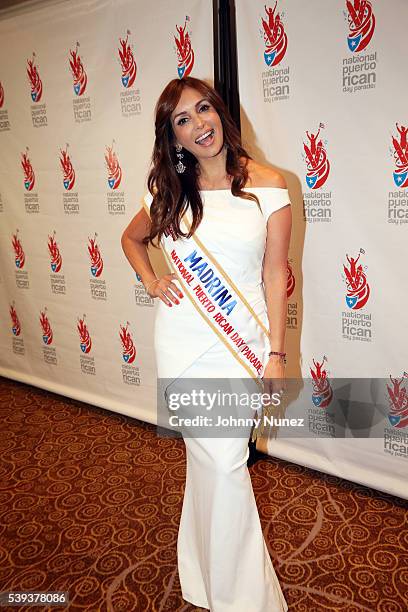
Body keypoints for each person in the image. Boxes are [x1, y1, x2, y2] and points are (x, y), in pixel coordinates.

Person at [121, 76, 291, 611]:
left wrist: (277, 354)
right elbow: (132, 239)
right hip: (183, 342)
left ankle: (237, 596)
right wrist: (151, 279)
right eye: (183, 120)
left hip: (241, 344)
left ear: (220, 111)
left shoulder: (269, 185)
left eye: (203, 110)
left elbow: (277, 274)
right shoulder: (170, 190)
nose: (200, 126)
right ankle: (202, 575)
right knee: (207, 461)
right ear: (172, 138)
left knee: (224, 463)